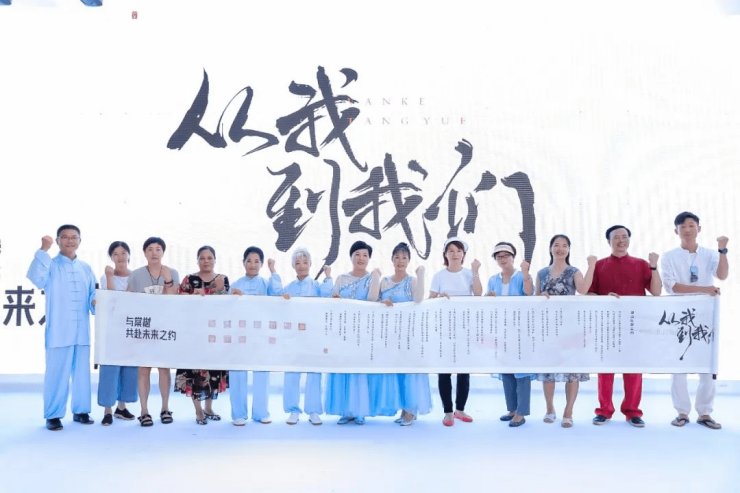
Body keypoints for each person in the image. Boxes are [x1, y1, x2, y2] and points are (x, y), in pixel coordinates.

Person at [661, 212, 729, 430]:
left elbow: (722, 275)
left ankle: (705, 413)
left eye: (691, 225)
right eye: (683, 226)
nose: (687, 229)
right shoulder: (669, 257)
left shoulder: (709, 254)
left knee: (707, 365)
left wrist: (722, 250)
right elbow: (672, 287)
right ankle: (682, 412)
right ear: (676, 231)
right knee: (679, 364)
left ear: (699, 229)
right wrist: (705, 289)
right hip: (679, 316)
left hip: (705, 316)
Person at [588, 225, 662, 427]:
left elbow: (656, 291)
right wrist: (605, 298)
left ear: (629, 240)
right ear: (608, 241)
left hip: (635, 324)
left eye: (624, 236)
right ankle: (604, 410)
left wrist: (654, 266)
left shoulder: (641, 264)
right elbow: (589, 293)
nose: (621, 240)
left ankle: (632, 411)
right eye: (616, 237)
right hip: (607, 324)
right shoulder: (600, 265)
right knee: (605, 369)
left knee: (633, 369)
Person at [27, 225, 97, 431]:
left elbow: (93, 292)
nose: (69, 240)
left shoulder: (86, 268)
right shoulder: (50, 265)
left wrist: (95, 302)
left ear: (80, 241)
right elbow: (35, 278)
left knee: (82, 374)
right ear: (58, 241)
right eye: (64, 237)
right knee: (56, 374)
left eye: (74, 237)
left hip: (82, 331)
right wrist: (43, 249)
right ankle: (53, 415)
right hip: (59, 330)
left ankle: (81, 411)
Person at [534, 234, 596, 428]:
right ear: (550, 248)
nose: (560, 249)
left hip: (571, 327)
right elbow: (535, 298)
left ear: (569, 249)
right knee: (548, 370)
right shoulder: (542, 273)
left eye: (564, 245)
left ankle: (568, 411)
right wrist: (541, 296)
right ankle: (549, 408)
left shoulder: (574, 271)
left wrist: (591, 265)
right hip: (548, 328)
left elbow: (583, 289)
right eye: (556, 245)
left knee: (572, 371)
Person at [324, 240, 381, 425]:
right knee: (344, 369)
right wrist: (335, 300)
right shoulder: (341, 278)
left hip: (363, 333)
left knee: (359, 371)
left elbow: (373, 300)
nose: (361, 258)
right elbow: (332, 301)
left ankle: (360, 410)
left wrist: (375, 277)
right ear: (351, 257)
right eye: (357, 254)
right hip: (343, 332)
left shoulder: (372, 278)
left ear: (369, 258)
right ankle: (346, 410)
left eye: (365, 255)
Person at [429, 236, 482, 426]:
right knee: (444, 371)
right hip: (444, 330)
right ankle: (448, 412)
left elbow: (478, 294)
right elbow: (430, 300)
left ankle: (460, 409)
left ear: (463, 254)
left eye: (459, 251)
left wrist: (475, 273)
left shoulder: (468, 274)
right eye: (451, 250)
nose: (455, 254)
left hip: (465, 328)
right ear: (445, 254)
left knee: (463, 370)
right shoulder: (439, 276)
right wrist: (439, 298)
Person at [127, 237, 180, 427]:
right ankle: (144, 411)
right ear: (144, 253)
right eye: (150, 249)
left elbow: (174, 298)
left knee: (164, 368)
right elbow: (127, 300)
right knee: (144, 369)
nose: (154, 252)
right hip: (144, 329)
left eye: (158, 249)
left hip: (164, 328)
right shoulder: (136, 275)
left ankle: (165, 408)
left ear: (163, 252)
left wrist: (168, 280)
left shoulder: (172, 272)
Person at [174, 246, 230, 425]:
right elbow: (180, 302)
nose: (206, 261)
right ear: (197, 260)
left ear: (215, 260)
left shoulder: (222, 279)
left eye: (209, 257)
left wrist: (208, 292)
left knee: (213, 371)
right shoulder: (189, 279)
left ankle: (209, 408)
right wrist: (196, 294)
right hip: (194, 334)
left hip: (215, 334)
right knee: (195, 372)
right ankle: (198, 410)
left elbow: (226, 304)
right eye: (202, 258)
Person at [229, 246, 283, 426]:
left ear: (261, 264)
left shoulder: (266, 284)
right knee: (238, 373)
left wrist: (273, 270)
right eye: (249, 261)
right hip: (240, 336)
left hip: (261, 337)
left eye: (256, 261)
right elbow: (228, 310)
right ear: (243, 262)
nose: (252, 265)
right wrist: (233, 297)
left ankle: (261, 413)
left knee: (261, 373)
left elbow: (278, 294)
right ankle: (238, 414)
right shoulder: (235, 284)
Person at [379, 242, 431, 426]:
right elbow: (376, 302)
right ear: (392, 259)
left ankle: (411, 410)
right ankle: (404, 408)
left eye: (404, 257)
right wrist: (382, 302)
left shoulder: (412, 281)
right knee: (397, 371)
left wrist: (421, 275)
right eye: (397, 257)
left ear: (408, 261)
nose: (400, 260)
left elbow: (418, 299)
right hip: (391, 334)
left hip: (409, 334)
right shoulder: (385, 281)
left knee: (409, 370)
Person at [280, 247, 333, 426]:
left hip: (313, 337)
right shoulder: (289, 288)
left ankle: (313, 410)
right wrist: (283, 299)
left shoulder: (317, 286)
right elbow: (280, 309)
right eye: (297, 263)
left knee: (314, 373)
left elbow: (328, 295)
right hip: (294, 337)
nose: (301, 266)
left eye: (305, 262)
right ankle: (293, 410)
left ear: (310, 264)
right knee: (291, 374)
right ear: (293, 266)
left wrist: (328, 277)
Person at [486, 242, 535, 427]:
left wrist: (525, 272)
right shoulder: (493, 280)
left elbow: (529, 293)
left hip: (520, 332)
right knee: (506, 371)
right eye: (499, 256)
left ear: (513, 257)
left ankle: (521, 412)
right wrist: (489, 299)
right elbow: (487, 303)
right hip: (501, 331)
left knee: (521, 372)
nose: (502, 259)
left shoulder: (522, 276)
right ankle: (512, 409)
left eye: (506, 255)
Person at [98, 241, 138, 426]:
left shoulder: (136, 276)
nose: (120, 257)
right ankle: (107, 410)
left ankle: (121, 407)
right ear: (111, 257)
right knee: (110, 369)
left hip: (131, 329)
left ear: (129, 255)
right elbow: (110, 302)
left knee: (129, 369)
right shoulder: (106, 277)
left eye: (123, 253)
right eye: (115, 254)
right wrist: (109, 277)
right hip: (112, 329)